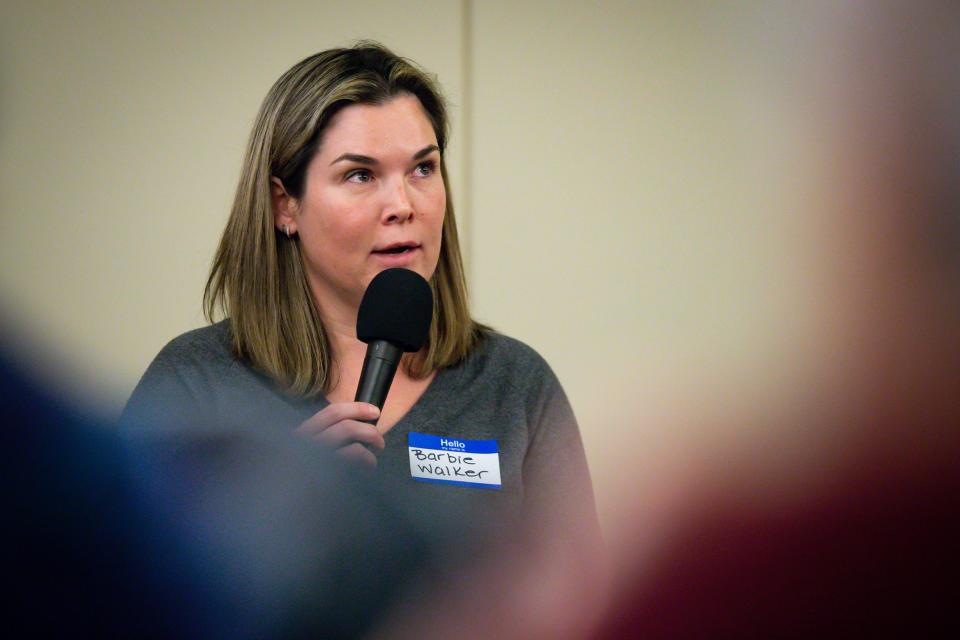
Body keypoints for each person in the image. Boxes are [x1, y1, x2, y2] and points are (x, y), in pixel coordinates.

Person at [123, 42, 599, 538]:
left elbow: (585, 601)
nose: (402, 204)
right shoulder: (194, 386)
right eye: (360, 174)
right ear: (284, 205)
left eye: (422, 168)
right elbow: (102, 597)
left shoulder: (514, 385)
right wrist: (269, 515)